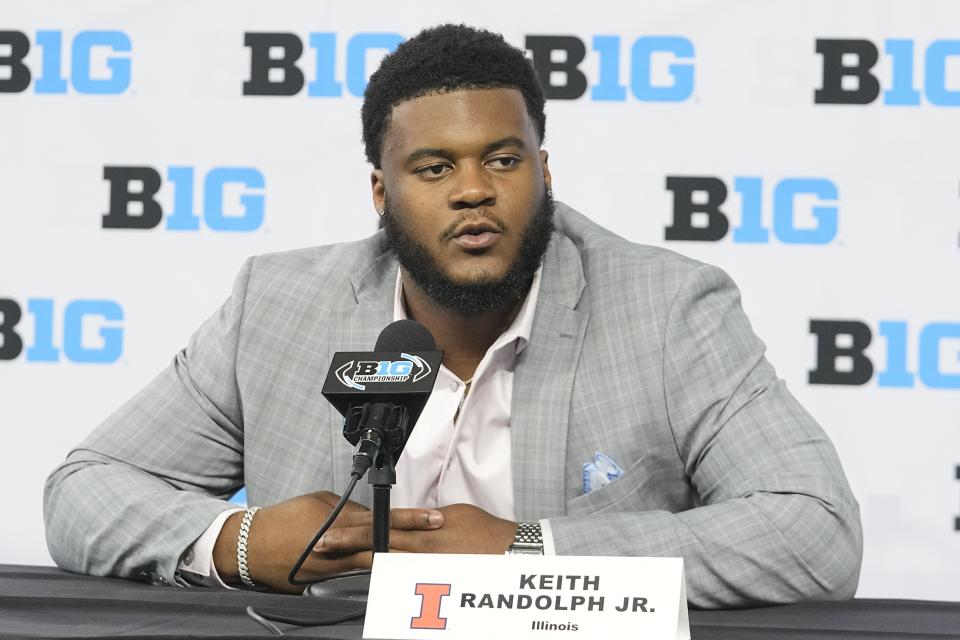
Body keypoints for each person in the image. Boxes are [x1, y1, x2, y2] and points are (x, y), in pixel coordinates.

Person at [43, 24, 862, 608]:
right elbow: (86, 492)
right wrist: (242, 543)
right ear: (380, 192)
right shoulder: (277, 304)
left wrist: (527, 553)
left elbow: (814, 532)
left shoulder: (669, 307)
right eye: (434, 167)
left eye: (503, 160)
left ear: (542, 171)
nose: (474, 190)